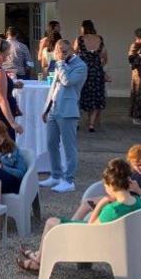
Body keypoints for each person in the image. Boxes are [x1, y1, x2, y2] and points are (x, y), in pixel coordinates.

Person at [17, 159, 141, 272]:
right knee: (83, 208)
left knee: (51, 221)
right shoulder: (138, 201)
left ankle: (39, 261)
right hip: (125, 242)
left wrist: (102, 203)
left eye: (105, 186)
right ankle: (39, 254)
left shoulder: (112, 209)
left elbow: (91, 226)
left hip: (95, 242)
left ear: (112, 185)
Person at [41, 38, 86, 193]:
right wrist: (46, 109)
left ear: (71, 50)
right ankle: (55, 175)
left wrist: (60, 63)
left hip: (68, 110)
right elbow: (54, 87)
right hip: (54, 109)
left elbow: (67, 81)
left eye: (64, 51)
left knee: (69, 147)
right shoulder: (60, 63)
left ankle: (69, 180)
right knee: (51, 143)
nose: (60, 54)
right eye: (58, 51)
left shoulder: (80, 66)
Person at [75, 20, 108, 132]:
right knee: (95, 97)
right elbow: (104, 56)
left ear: (83, 28)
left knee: (79, 95)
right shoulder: (100, 39)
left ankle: (77, 122)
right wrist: (98, 64)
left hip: (83, 71)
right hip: (96, 71)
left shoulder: (80, 39)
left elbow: (74, 54)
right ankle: (91, 124)